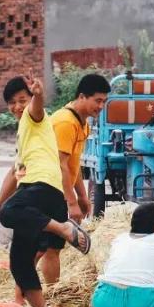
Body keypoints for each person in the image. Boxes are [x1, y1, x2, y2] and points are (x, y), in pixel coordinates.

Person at [0, 75, 92, 307]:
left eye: (22, 100)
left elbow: (36, 108)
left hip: (43, 189)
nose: (17, 106)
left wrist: (38, 95)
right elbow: (14, 174)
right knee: (19, 262)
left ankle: (65, 230)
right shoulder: (24, 137)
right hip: (38, 195)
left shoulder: (35, 117)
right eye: (12, 102)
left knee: (12, 212)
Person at [37, 73, 110, 281]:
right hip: (46, 189)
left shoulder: (83, 123)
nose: (101, 106)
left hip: (55, 190)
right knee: (47, 248)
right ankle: (39, 295)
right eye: (97, 100)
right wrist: (72, 203)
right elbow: (60, 165)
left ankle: (28, 293)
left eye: (104, 101)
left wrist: (83, 196)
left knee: (47, 248)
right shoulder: (65, 122)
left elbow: (73, 165)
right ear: (82, 97)